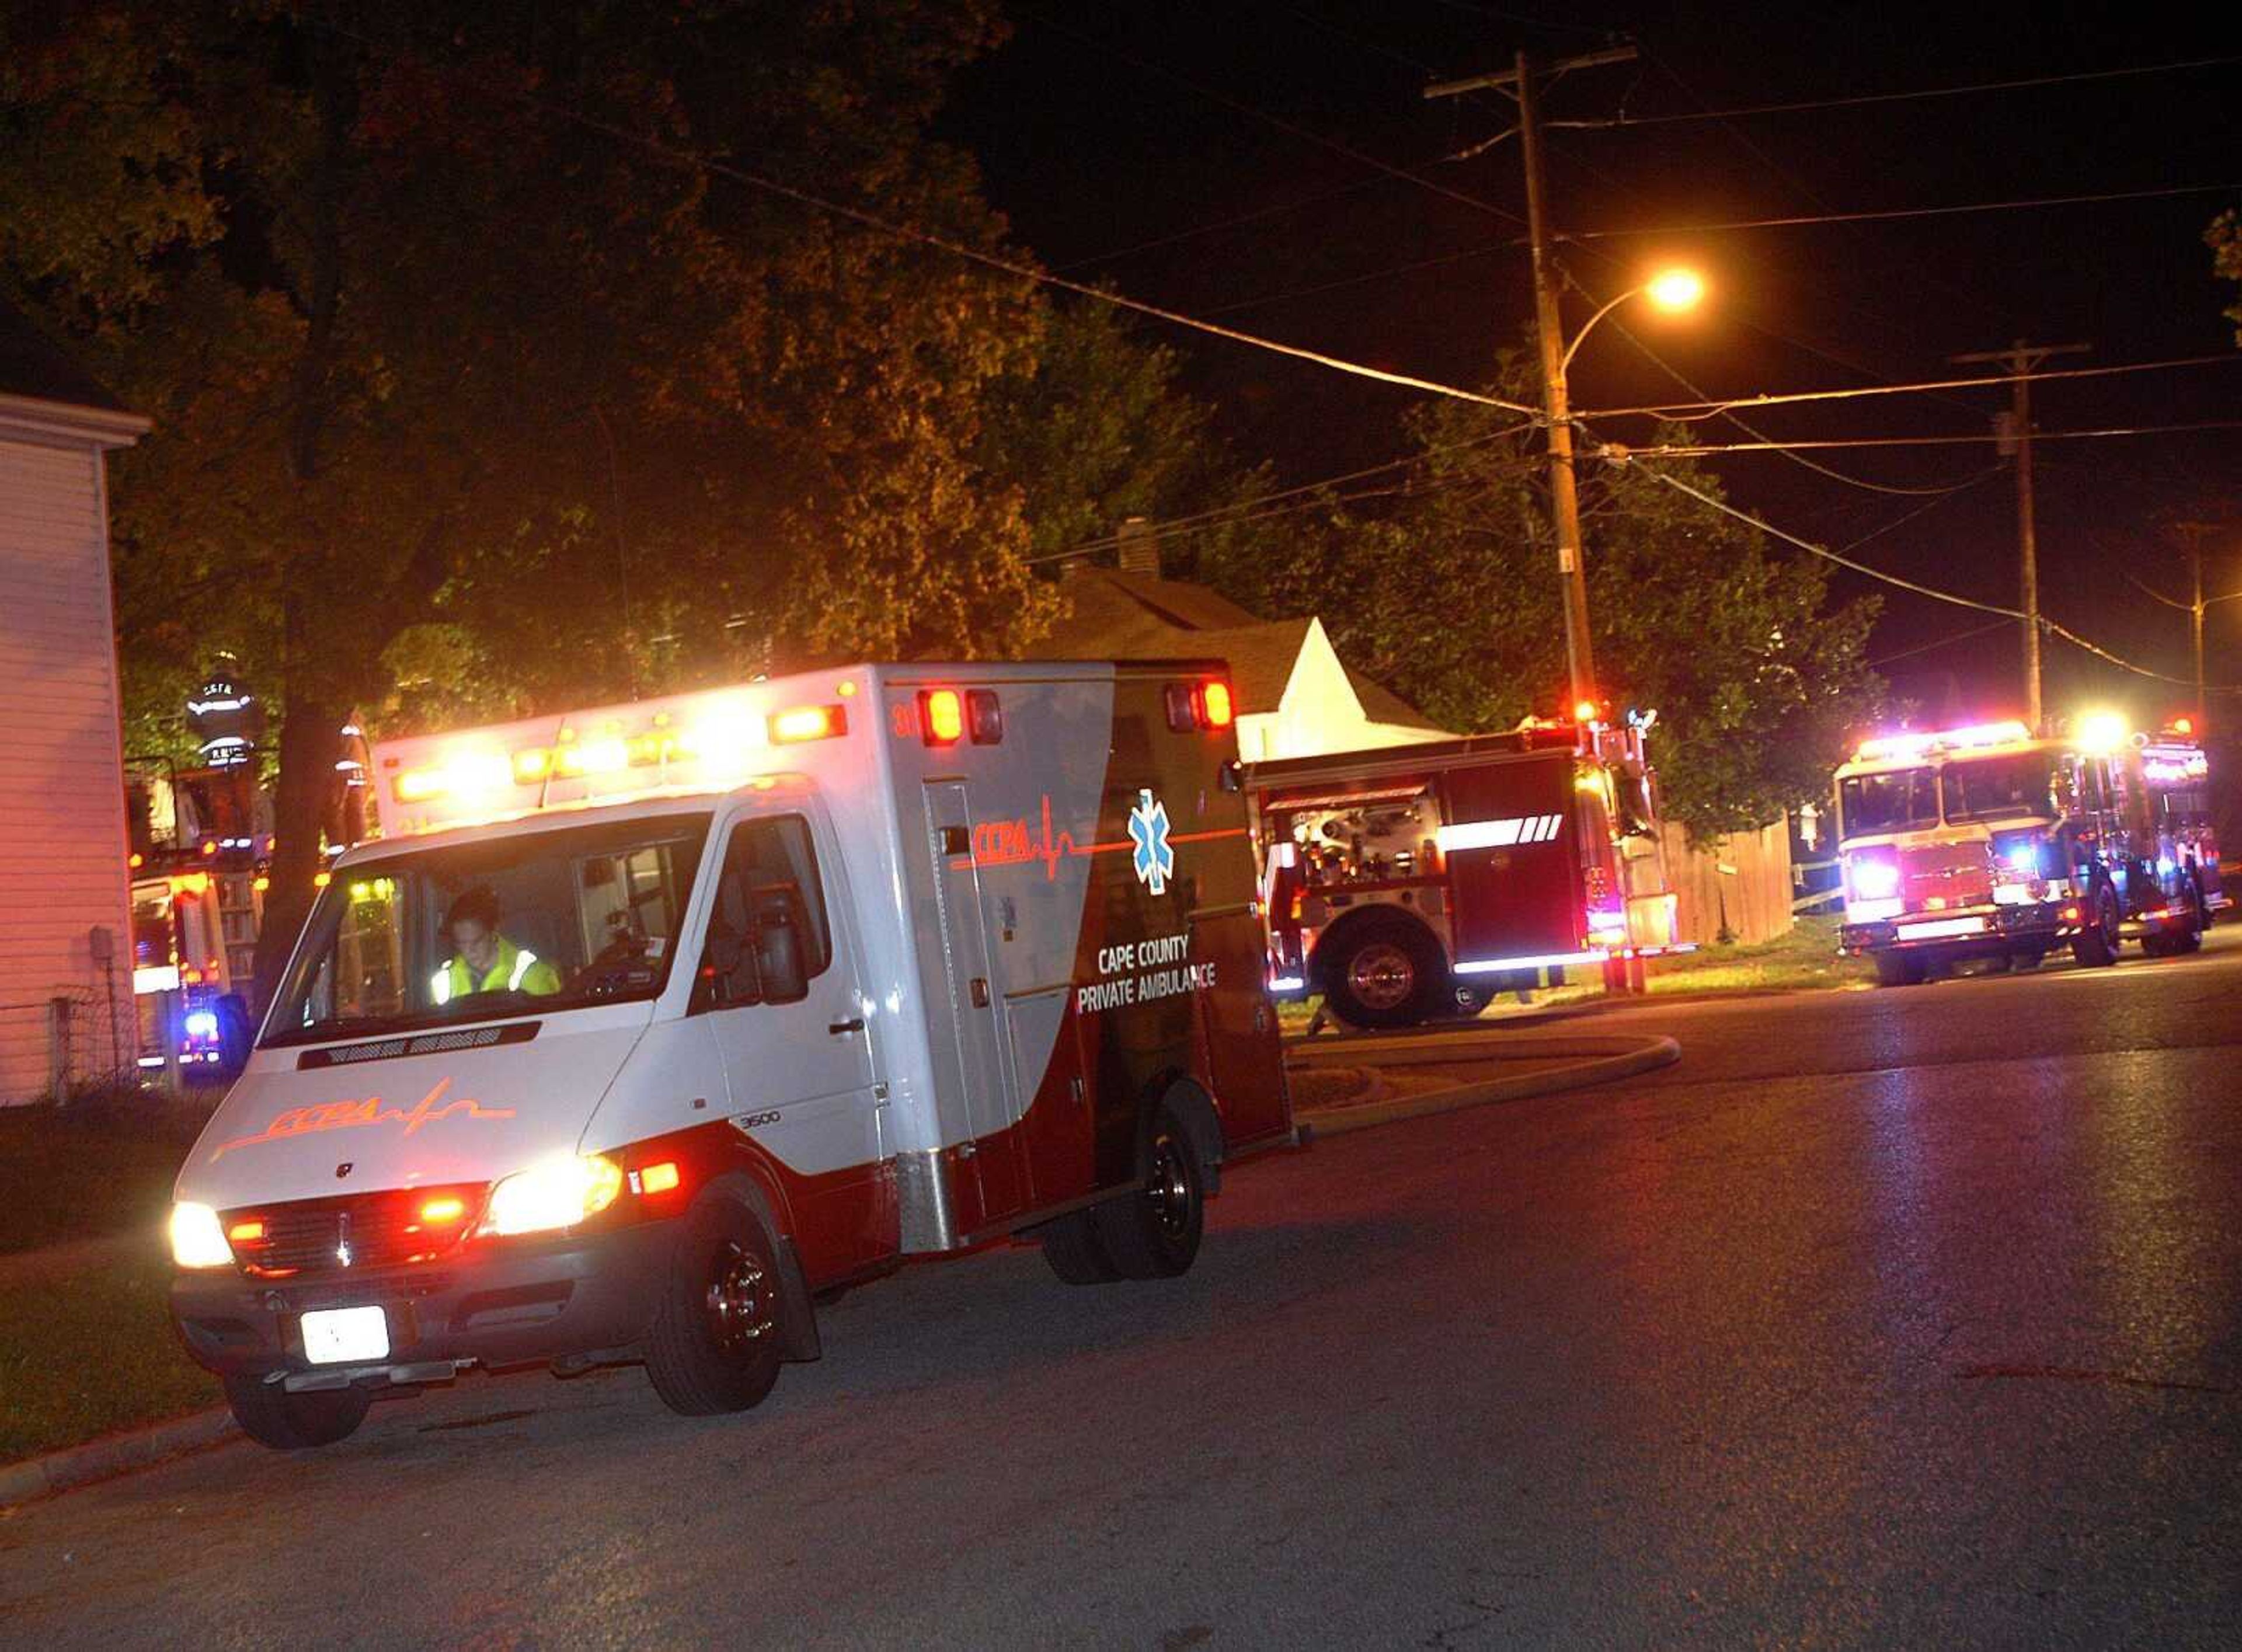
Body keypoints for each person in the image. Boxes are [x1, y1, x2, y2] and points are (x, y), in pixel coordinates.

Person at [430, 886, 560, 1004]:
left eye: (477, 942)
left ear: (494, 932)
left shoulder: (533, 974)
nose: (469, 951)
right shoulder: (443, 981)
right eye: (462, 943)